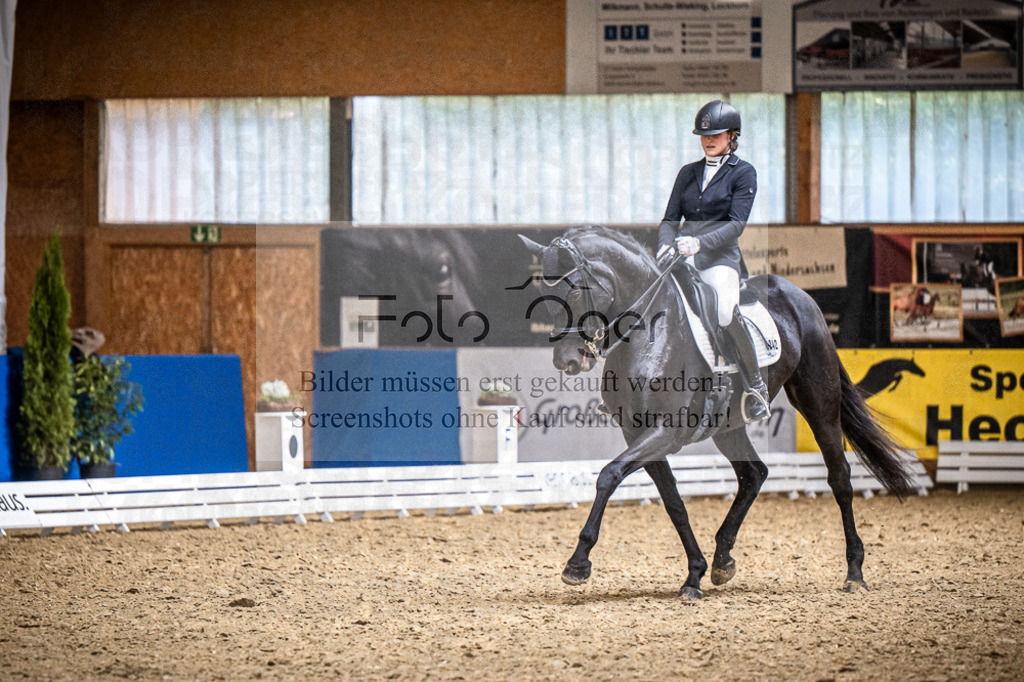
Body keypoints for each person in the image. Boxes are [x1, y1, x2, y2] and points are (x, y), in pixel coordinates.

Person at [655, 99, 770, 423]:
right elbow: (668, 220)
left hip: (718, 259)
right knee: (652, 301)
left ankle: (755, 386)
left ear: (732, 136)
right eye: (704, 135)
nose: (709, 139)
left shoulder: (743, 172)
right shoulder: (687, 173)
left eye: (716, 134)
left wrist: (699, 242)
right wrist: (666, 245)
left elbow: (737, 224)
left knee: (722, 311)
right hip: (681, 257)